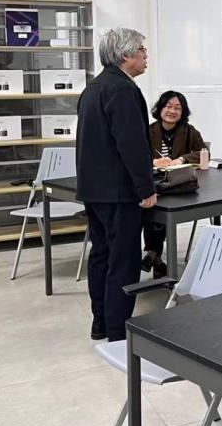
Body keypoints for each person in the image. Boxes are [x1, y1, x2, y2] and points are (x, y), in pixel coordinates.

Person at [76, 28, 156, 342]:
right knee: (123, 261)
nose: (146, 56)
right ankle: (117, 330)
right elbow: (132, 145)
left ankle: (100, 322)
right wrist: (146, 189)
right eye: (142, 50)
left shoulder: (93, 88)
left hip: (94, 190)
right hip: (119, 193)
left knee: (102, 256)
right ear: (125, 55)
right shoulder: (123, 90)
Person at [142, 90, 208, 277]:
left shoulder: (189, 131)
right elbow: (137, 155)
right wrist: (154, 161)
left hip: (180, 185)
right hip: (155, 183)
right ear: (160, 108)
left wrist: (181, 159)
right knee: (154, 210)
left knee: (158, 210)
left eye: (178, 108)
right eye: (168, 106)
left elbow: (204, 152)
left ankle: (153, 256)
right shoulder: (148, 131)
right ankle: (155, 256)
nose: (172, 111)